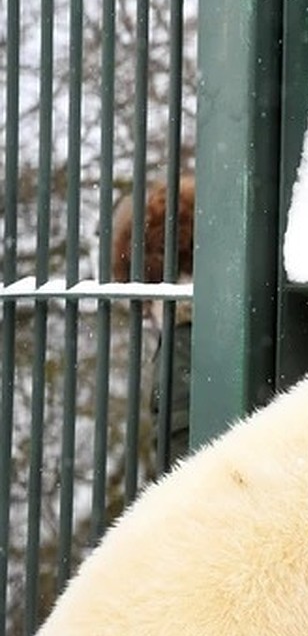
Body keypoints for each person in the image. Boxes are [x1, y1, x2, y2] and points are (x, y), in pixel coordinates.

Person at [112, 176, 195, 473]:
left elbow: (183, 465)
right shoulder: (256, 320)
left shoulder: (182, 349)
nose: (147, 319)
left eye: (145, 307)